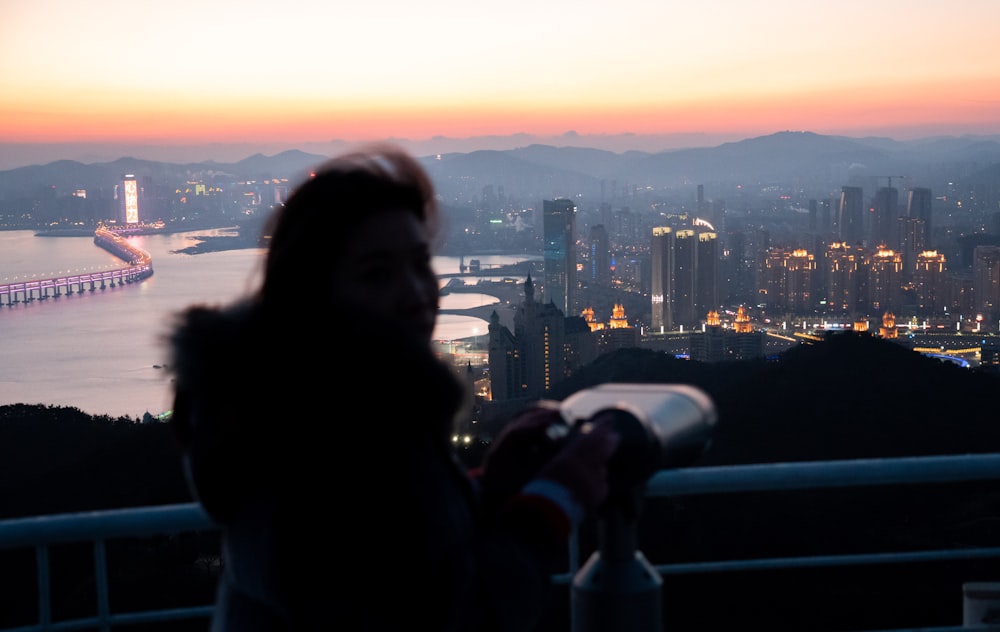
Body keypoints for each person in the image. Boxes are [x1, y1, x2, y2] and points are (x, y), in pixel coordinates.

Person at [165, 143, 620, 631]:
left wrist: (489, 485)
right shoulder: (310, 441)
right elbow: (455, 614)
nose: (416, 291)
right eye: (377, 273)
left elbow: (408, 552)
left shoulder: (323, 409)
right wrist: (553, 504)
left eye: (419, 262)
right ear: (310, 293)